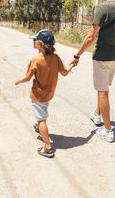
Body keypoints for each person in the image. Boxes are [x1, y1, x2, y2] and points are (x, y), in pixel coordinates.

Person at [70, 0, 115, 142]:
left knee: (103, 92)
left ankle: (108, 130)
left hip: (102, 57)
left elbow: (91, 36)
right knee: (103, 88)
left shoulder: (101, 8)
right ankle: (97, 115)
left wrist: (77, 55)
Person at [15, 29, 74, 157]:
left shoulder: (35, 60)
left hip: (38, 96)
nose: (33, 41)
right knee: (43, 111)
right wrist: (71, 67)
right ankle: (38, 126)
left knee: (41, 119)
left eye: (35, 40)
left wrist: (18, 81)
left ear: (41, 44)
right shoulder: (56, 58)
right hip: (49, 94)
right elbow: (64, 73)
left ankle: (48, 147)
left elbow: (27, 77)